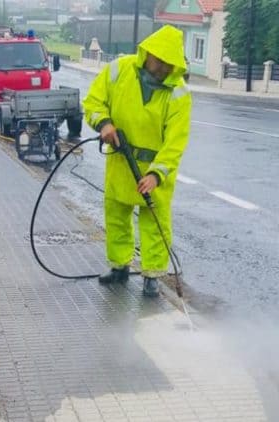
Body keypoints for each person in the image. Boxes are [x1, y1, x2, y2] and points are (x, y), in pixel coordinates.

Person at [82, 25, 192, 297]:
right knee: (116, 215)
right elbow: (93, 102)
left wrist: (156, 174)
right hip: (121, 160)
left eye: (169, 64)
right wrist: (104, 124)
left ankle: (152, 276)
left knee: (154, 222)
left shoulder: (178, 93)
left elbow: (175, 143)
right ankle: (119, 267)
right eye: (159, 61)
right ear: (148, 53)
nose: (163, 68)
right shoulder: (118, 70)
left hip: (155, 169)